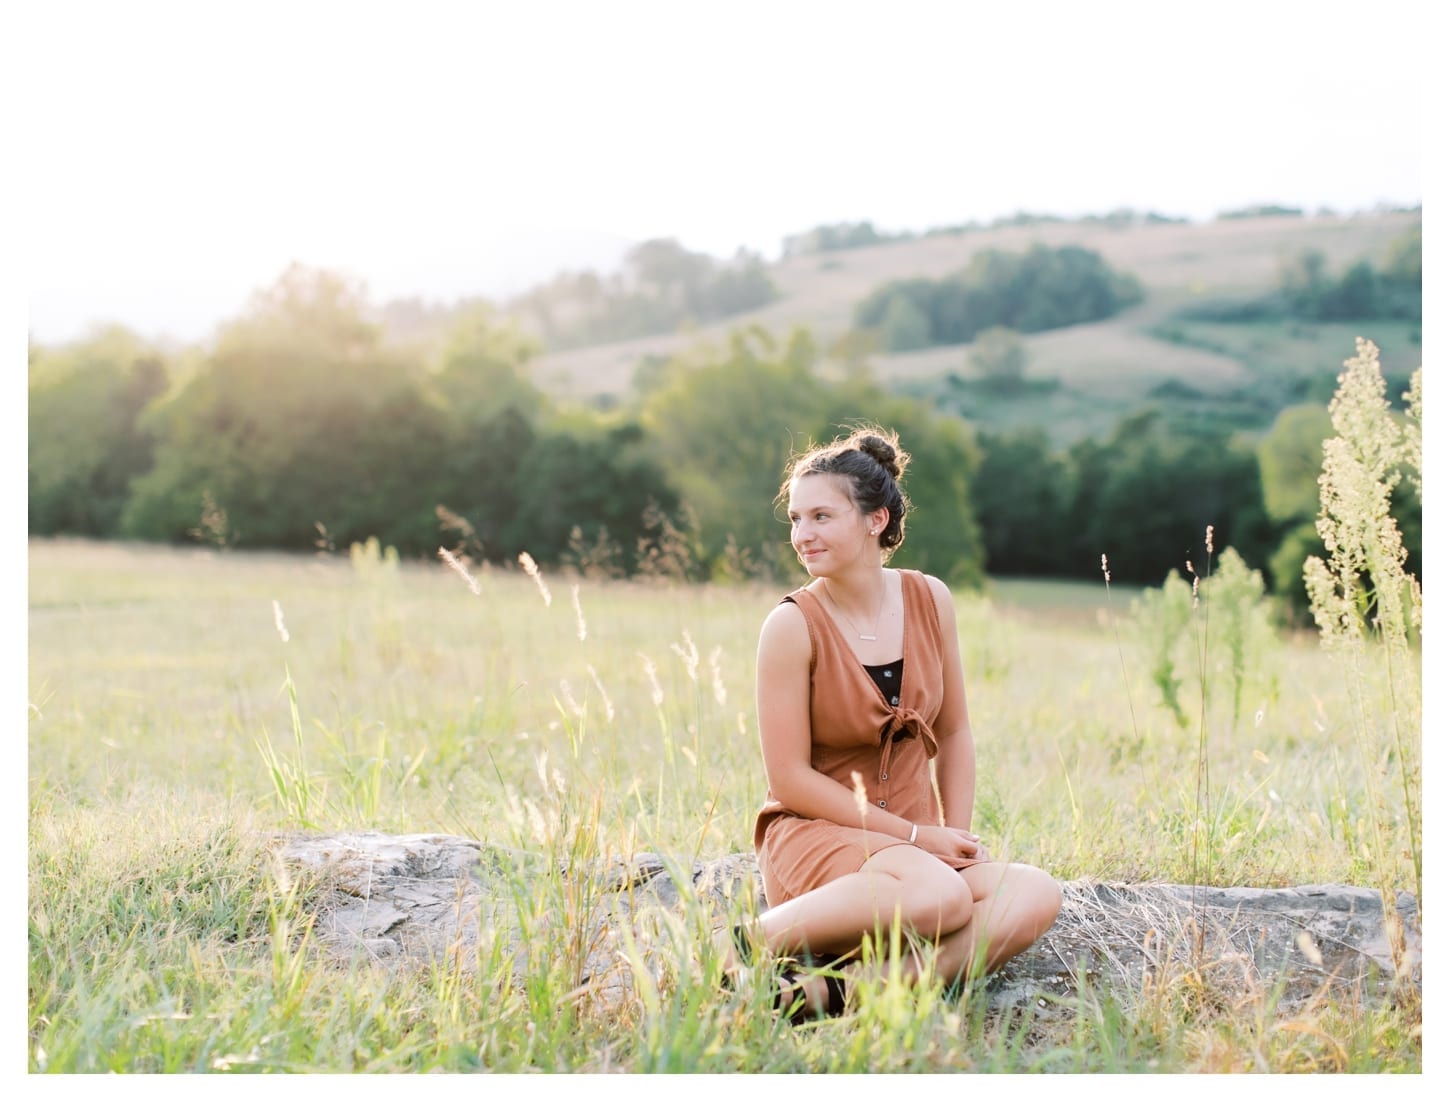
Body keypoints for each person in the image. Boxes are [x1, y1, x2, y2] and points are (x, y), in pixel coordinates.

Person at [718, 426, 1062, 1022]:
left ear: (875, 520)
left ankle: (836, 996)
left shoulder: (931, 599)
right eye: (796, 519)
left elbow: (954, 732)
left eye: (821, 516)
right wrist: (915, 842)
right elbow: (790, 779)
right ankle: (740, 947)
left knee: (1033, 893)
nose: (802, 535)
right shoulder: (791, 625)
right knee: (937, 893)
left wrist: (953, 837)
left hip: (914, 855)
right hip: (818, 836)